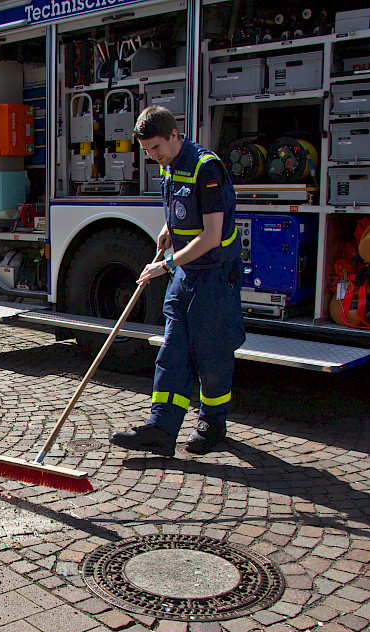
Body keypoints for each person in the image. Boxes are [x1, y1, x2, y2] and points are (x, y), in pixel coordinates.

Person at [110, 106, 244, 457]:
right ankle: (161, 429)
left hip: (214, 276)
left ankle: (213, 423)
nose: (153, 157)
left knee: (211, 352)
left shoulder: (206, 168)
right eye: (147, 152)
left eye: (156, 148)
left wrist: (166, 266)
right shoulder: (171, 167)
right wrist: (168, 229)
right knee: (172, 351)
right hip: (187, 274)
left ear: (174, 134)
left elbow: (212, 235)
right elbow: (185, 212)